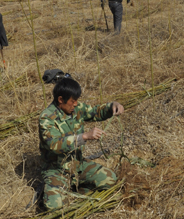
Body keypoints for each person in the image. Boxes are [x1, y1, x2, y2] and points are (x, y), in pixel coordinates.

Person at [39, 77, 123, 211]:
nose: (76, 104)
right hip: (57, 169)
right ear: (61, 100)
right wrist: (83, 137)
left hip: (77, 164)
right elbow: (53, 144)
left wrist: (112, 106)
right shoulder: (47, 118)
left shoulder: (76, 108)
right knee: (54, 206)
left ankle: (73, 191)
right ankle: (58, 189)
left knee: (110, 180)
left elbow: (95, 112)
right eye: (73, 101)